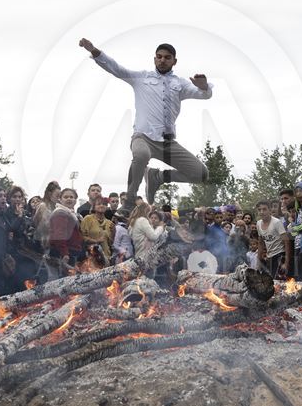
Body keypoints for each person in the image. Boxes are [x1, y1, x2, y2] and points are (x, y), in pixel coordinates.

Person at [79, 38, 212, 209]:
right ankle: (129, 202)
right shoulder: (141, 78)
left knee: (201, 173)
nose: (162, 60)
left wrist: (204, 86)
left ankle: (158, 177)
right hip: (143, 137)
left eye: (167, 57)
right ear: (154, 59)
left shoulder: (180, 84)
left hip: (167, 143)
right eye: (159, 57)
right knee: (141, 155)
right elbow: (116, 69)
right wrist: (94, 50)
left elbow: (203, 95)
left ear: (174, 61)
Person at [48, 188, 85, 276]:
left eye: (71, 197)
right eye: (66, 197)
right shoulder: (60, 213)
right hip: (65, 254)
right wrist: (65, 253)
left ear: (75, 200)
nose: (69, 199)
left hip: (72, 252)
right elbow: (59, 235)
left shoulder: (71, 213)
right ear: (60, 200)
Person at [256, 200, 290, 279]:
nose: (262, 212)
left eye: (264, 209)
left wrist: (286, 262)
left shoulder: (276, 222)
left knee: (277, 281)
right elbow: (260, 242)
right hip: (269, 256)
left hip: (280, 255)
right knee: (269, 279)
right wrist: (259, 260)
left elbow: (286, 241)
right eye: (259, 210)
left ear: (270, 210)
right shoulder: (258, 223)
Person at [81, 197, 114, 262]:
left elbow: (110, 243)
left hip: (106, 257)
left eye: (104, 204)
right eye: (99, 204)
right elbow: (82, 236)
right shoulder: (88, 219)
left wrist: (113, 233)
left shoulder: (109, 223)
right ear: (94, 207)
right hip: (91, 256)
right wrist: (96, 241)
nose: (102, 206)